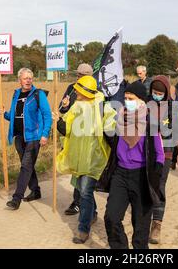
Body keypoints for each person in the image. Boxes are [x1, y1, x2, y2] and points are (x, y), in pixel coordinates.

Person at [99, 81, 164, 249]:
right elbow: (113, 142)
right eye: (125, 98)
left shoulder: (150, 122)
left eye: (131, 98)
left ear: (141, 101)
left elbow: (159, 152)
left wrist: (156, 171)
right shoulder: (120, 118)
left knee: (141, 227)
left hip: (141, 176)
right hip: (120, 174)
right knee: (111, 218)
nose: (127, 101)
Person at [55, 75, 117, 244]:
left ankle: (83, 229)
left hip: (94, 159)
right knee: (84, 191)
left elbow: (112, 133)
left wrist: (118, 157)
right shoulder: (77, 106)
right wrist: (59, 120)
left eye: (78, 89)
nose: (75, 91)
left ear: (84, 91)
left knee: (85, 191)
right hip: (79, 158)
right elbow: (67, 129)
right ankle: (93, 213)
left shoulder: (104, 108)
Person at [0, 68, 52, 210]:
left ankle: (16, 199)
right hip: (19, 137)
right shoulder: (16, 94)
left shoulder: (38, 94)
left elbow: (47, 115)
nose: (28, 80)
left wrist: (45, 134)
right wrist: (4, 114)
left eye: (30, 78)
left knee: (25, 166)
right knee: (27, 166)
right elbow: (14, 116)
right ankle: (35, 190)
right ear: (19, 80)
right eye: (25, 78)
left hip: (34, 137)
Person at [148, 76, 178, 244]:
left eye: (160, 93)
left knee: (159, 186)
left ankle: (157, 223)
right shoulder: (145, 106)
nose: (157, 95)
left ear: (166, 93)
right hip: (147, 153)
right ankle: (145, 215)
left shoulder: (173, 109)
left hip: (166, 153)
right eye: (154, 92)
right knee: (145, 184)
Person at [59, 63, 94, 216]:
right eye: (78, 75)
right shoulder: (71, 88)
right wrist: (65, 106)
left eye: (82, 75)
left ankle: (81, 204)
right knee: (76, 171)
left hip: (87, 136)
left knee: (82, 174)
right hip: (72, 134)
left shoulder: (95, 91)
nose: (78, 77)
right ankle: (80, 203)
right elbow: (63, 108)